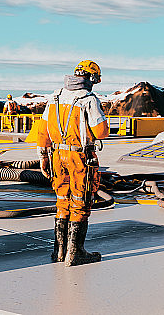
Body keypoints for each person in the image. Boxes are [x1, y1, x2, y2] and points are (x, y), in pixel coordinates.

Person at [36, 60, 109, 266]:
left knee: (62, 201)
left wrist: (43, 156)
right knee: (81, 202)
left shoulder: (55, 97)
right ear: (92, 78)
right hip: (80, 158)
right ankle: (75, 253)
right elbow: (101, 132)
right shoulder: (88, 99)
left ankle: (59, 252)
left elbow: (43, 131)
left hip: (57, 156)